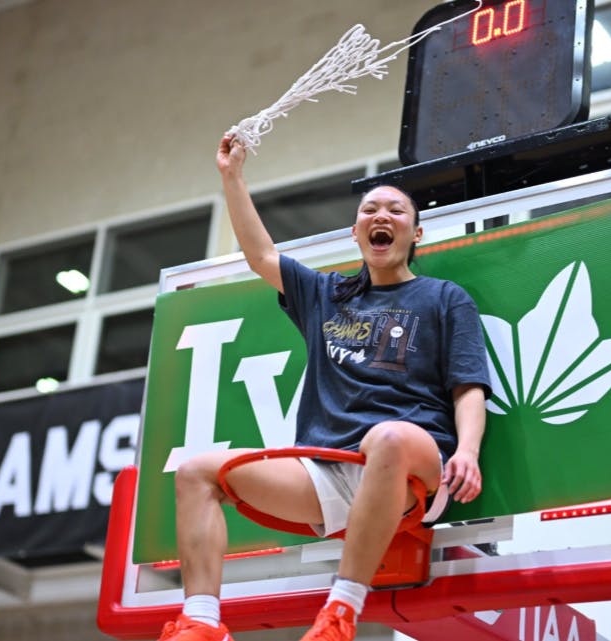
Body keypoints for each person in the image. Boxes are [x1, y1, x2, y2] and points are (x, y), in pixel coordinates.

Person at [158, 134, 491, 641]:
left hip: (416, 465)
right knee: (196, 472)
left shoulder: (445, 297)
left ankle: (341, 610)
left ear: (416, 232)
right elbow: (260, 254)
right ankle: (202, 621)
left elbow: (468, 386)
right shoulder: (325, 294)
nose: (382, 215)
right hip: (329, 471)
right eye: (370, 209)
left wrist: (468, 450)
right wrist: (232, 176)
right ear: (356, 232)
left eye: (396, 210)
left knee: (387, 437)